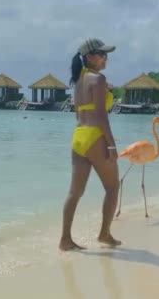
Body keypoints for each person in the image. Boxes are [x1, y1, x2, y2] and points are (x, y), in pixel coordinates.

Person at [59, 38, 121, 251]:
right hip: (95, 137)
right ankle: (104, 234)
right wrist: (111, 145)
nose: (106, 58)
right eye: (102, 54)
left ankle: (65, 239)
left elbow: (79, 113)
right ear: (90, 57)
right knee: (113, 188)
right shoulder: (98, 79)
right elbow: (101, 116)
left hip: (78, 137)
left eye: (106, 54)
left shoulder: (78, 81)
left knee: (74, 193)